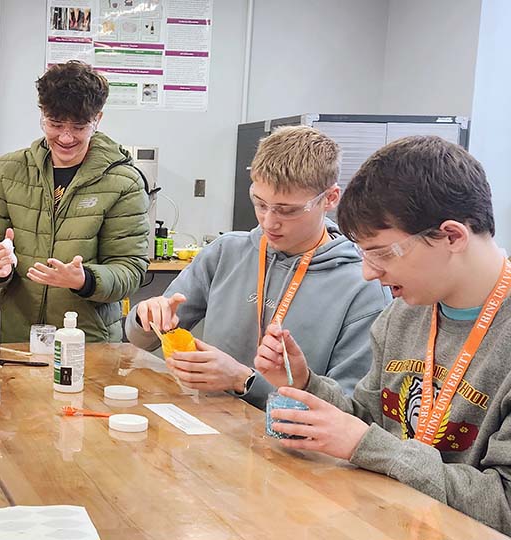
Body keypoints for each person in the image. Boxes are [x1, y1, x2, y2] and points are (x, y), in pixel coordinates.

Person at [256, 136, 511, 533]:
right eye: (363, 254)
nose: (368, 273)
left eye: (382, 253)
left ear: (452, 237)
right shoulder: (402, 315)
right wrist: (306, 384)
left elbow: (503, 506)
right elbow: (370, 423)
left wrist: (369, 447)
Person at [126, 126, 389, 408]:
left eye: (288, 210)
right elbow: (140, 340)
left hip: (291, 446)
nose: (269, 221)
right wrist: (147, 318)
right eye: (260, 203)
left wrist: (244, 381)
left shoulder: (363, 286)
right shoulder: (226, 252)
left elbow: (349, 408)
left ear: (330, 198)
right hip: (208, 430)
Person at [0, 61, 150, 343]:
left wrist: (85, 280)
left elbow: (130, 269)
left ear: (98, 119)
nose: (65, 137)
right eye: (55, 124)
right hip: (15, 338)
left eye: (79, 127)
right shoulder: (7, 171)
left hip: (88, 342)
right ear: (42, 114)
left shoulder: (122, 182)